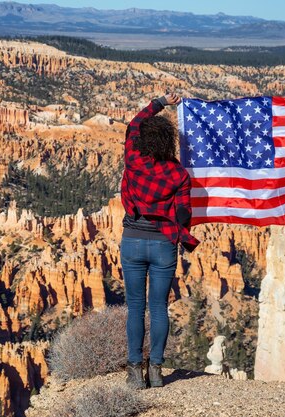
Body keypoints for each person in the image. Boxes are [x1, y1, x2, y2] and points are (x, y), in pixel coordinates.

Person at [120, 93, 200, 389]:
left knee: (135, 308)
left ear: (143, 141)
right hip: (164, 245)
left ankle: (133, 371)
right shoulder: (178, 174)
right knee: (158, 309)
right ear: (169, 142)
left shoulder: (133, 159)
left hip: (132, 240)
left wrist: (160, 102)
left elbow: (133, 125)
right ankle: (155, 370)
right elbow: (183, 213)